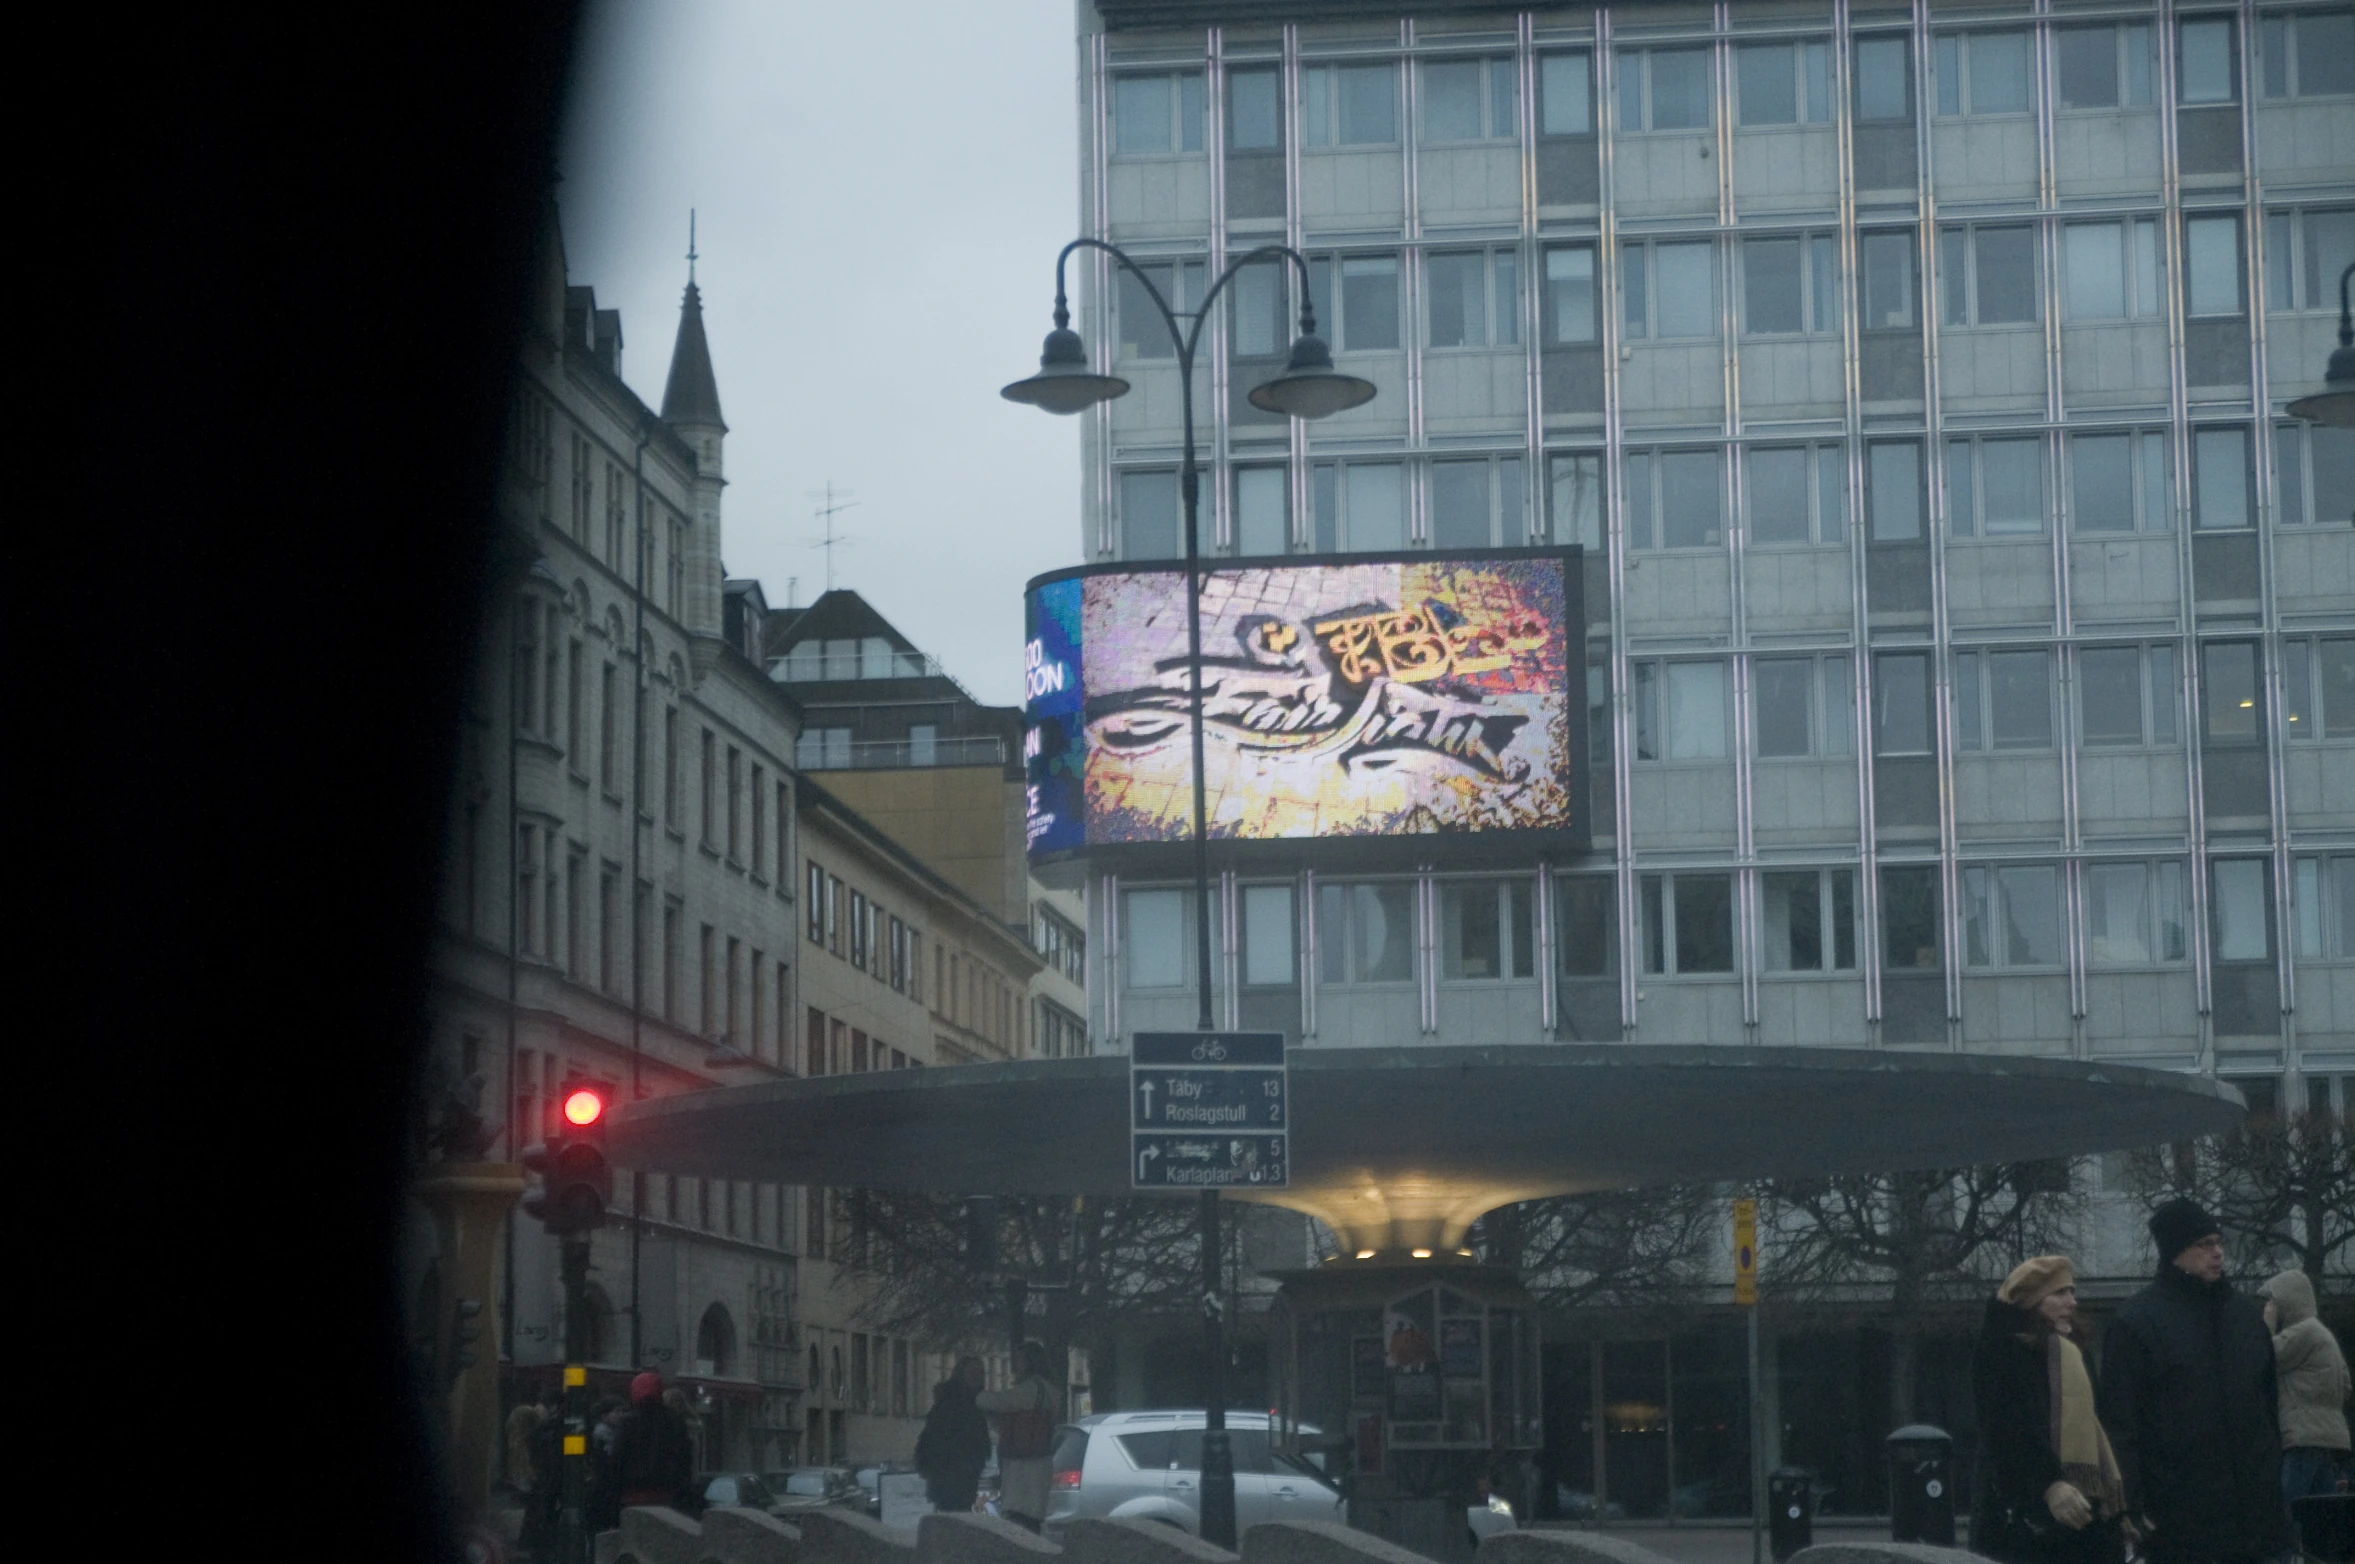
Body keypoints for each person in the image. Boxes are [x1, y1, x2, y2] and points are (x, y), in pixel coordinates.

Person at [2098, 1199, 2293, 1564]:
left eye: (2219, 1242)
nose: (2217, 1253)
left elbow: (2268, 1409)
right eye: (2203, 1244)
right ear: (2175, 1251)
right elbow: (2120, 1425)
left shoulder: (2244, 1318)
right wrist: (2132, 1508)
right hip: (2179, 1526)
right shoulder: (2137, 1323)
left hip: (2256, 1522)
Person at [1971, 1256, 2126, 1564]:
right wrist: (2048, 1484)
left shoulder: (2074, 1351)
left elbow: (2100, 1429)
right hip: (2031, 1518)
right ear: (2031, 1301)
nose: (2072, 1301)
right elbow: (2006, 1431)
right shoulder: (2005, 1351)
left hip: (2083, 1515)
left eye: (2072, 1291)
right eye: (2060, 1293)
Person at [2259, 1268, 2352, 1503]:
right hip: (2329, 1439)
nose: (2270, 1306)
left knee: (2286, 1510)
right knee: (2320, 1517)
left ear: (2287, 1301)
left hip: (2303, 1436)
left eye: (2273, 1301)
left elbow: (2262, 1358)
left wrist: (2266, 1326)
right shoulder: (2322, 1333)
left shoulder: (2304, 1331)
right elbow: (2347, 1386)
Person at [975, 1342, 1059, 1532]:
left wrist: (975, 1396)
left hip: (1023, 1462)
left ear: (1030, 1362)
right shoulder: (1050, 1390)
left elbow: (1002, 1401)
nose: (1016, 1365)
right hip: (1039, 1458)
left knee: (1020, 1515)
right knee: (1031, 1513)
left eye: (1020, 1360)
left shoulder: (1031, 1389)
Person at [611, 1371, 697, 1513]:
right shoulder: (674, 1421)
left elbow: (617, 1457)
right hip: (667, 1493)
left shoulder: (627, 1422)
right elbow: (683, 1457)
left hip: (632, 1493)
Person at [915, 1356, 992, 1514]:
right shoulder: (953, 1403)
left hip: (962, 1476)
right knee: (954, 1517)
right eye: (972, 1372)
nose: (977, 1376)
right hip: (951, 1475)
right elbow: (937, 1440)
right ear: (961, 1374)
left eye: (980, 1373)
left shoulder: (974, 1402)